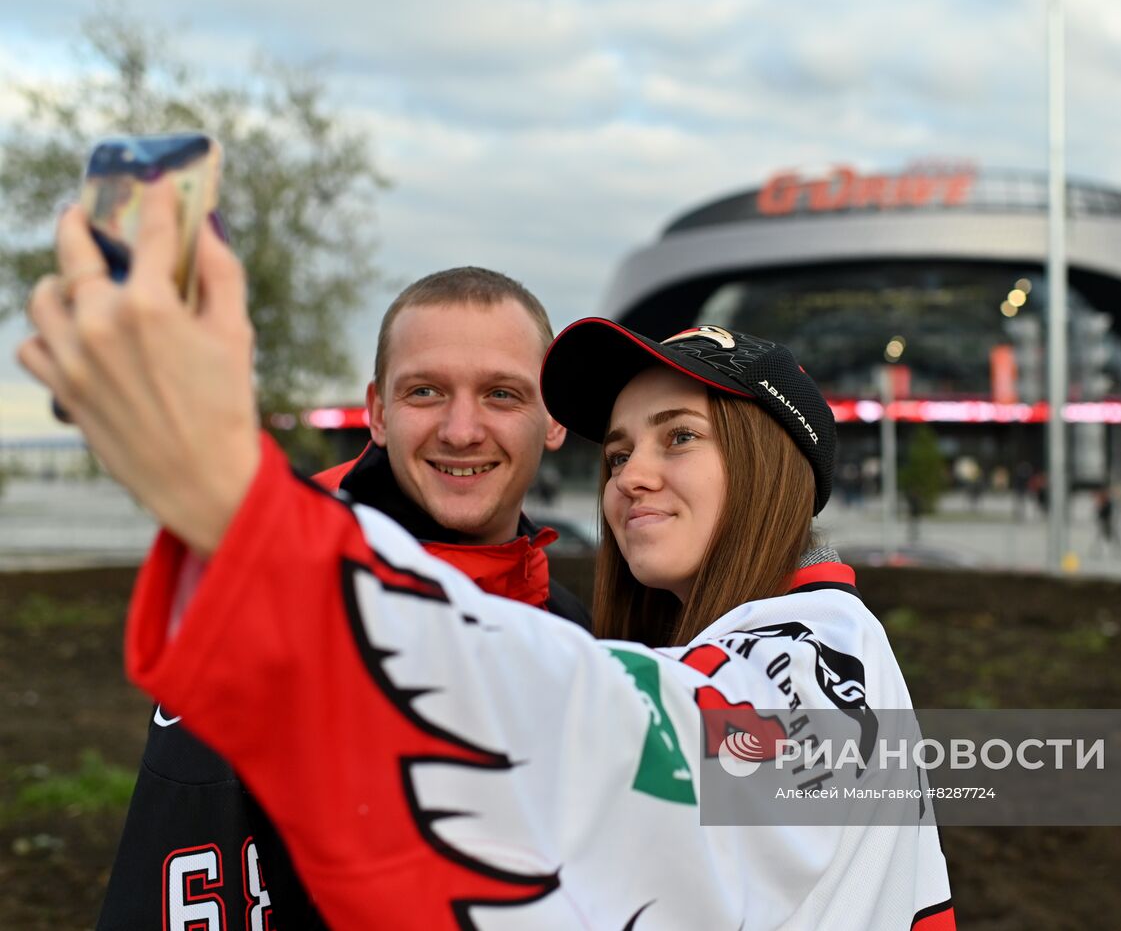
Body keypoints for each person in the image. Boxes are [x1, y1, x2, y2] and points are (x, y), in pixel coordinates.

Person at [21, 185, 954, 929]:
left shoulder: (819, 656)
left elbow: (602, 729)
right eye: (621, 449)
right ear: (378, 408)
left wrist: (250, 516)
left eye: (679, 438)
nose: (632, 477)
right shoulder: (658, 648)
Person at [94, 265, 589, 928]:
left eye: (502, 393)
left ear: (552, 418)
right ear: (379, 413)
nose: (462, 429)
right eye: (425, 392)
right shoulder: (266, 616)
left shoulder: (578, 624)